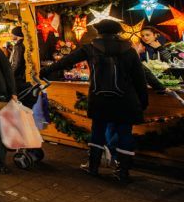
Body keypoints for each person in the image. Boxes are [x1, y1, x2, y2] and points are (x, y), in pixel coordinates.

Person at [40, 20, 147, 182]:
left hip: (100, 98)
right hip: (125, 99)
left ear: (99, 32)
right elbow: (140, 78)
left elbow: (66, 61)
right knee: (125, 134)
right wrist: (143, 101)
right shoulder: (129, 50)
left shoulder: (90, 48)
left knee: (98, 132)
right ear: (118, 32)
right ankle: (122, 172)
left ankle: (93, 167)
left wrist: (46, 70)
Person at [9, 26, 27, 94]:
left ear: (17, 34)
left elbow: (16, 63)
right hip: (20, 75)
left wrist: (10, 74)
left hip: (18, 76)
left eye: (12, 33)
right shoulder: (22, 44)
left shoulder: (18, 46)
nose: (11, 35)